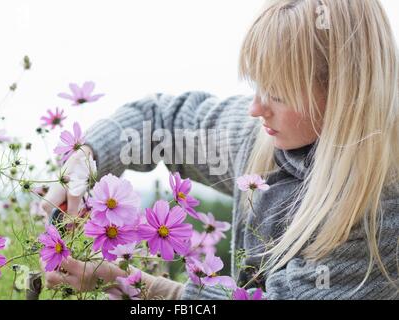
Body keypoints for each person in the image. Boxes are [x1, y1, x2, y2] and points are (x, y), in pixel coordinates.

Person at [41, 0, 399, 299]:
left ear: (340, 95)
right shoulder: (263, 138)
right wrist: (86, 157)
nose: (256, 108)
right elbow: (161, 120)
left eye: (277, 93)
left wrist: (141, 287)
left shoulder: (379, 214)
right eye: (258, 84)